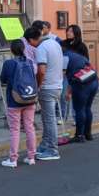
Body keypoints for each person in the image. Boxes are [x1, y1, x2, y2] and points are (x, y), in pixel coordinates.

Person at [26, 26, 64, 160]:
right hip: (57, 85)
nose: (30, 46)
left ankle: (52, 150)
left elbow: (41, 70)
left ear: (31, 39)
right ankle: (45, 144)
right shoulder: (54, 43)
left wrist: (38, 85)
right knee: (47, 118)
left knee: (49, 120)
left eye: (29, 42)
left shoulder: (41, 48)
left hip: (48, 87)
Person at [0, 40, 37, 168]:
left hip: (14, 100)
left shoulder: (9, 63)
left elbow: (3, 80)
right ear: (23, 49)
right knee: (29, 127)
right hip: (30, 98)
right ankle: (31, 157)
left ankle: (13, 159)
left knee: (15, 130)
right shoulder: (30, 62)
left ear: (12, 50)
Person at [63, 48, 99, 143]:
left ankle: (79, 135)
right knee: (87, 108)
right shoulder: (77, 56)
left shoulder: (64, 57)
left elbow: (67, 75)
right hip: (94, 81)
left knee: (79, 109)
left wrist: (67, 92)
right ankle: (88, 134)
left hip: (82, 85)